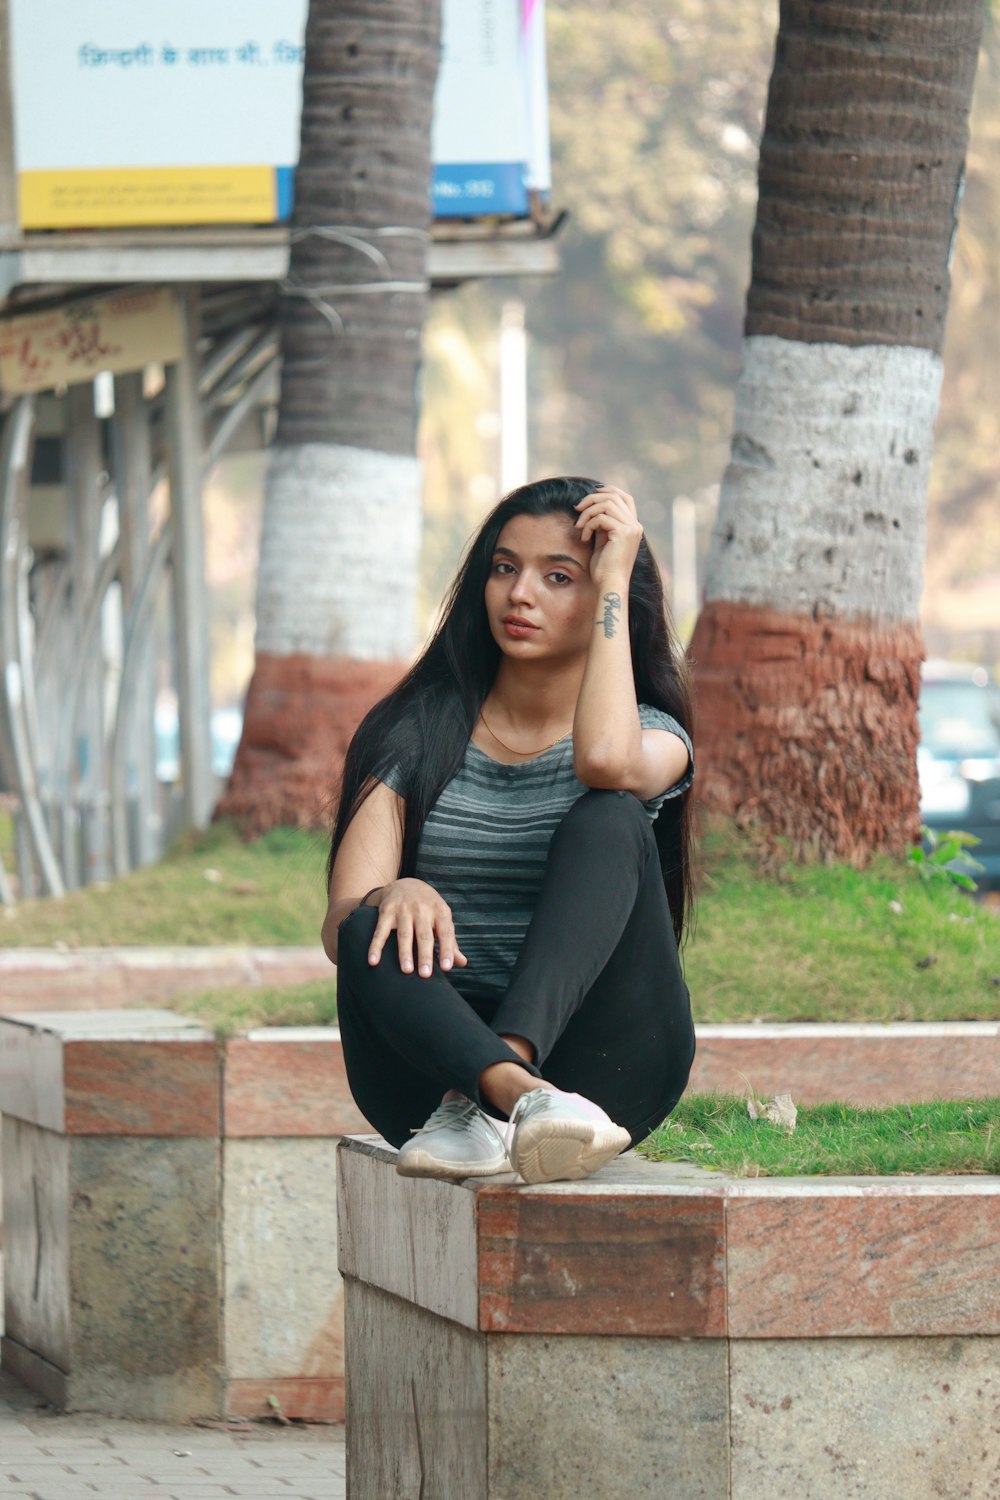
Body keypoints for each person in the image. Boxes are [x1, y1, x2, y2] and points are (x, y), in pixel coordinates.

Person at [322, 476, 696, 1186]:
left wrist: (613, 576)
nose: (520, 594)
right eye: (504, 567)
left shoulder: (654, 737)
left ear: (608, 601)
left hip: (606, 1071)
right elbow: (341, 924)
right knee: (364, 918)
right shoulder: (411, 734)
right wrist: (394, 892)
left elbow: (606, 762)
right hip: (428, 1081)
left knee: (610, 814)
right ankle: (513, 1095)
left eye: (560, 577)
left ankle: (506, 1084)